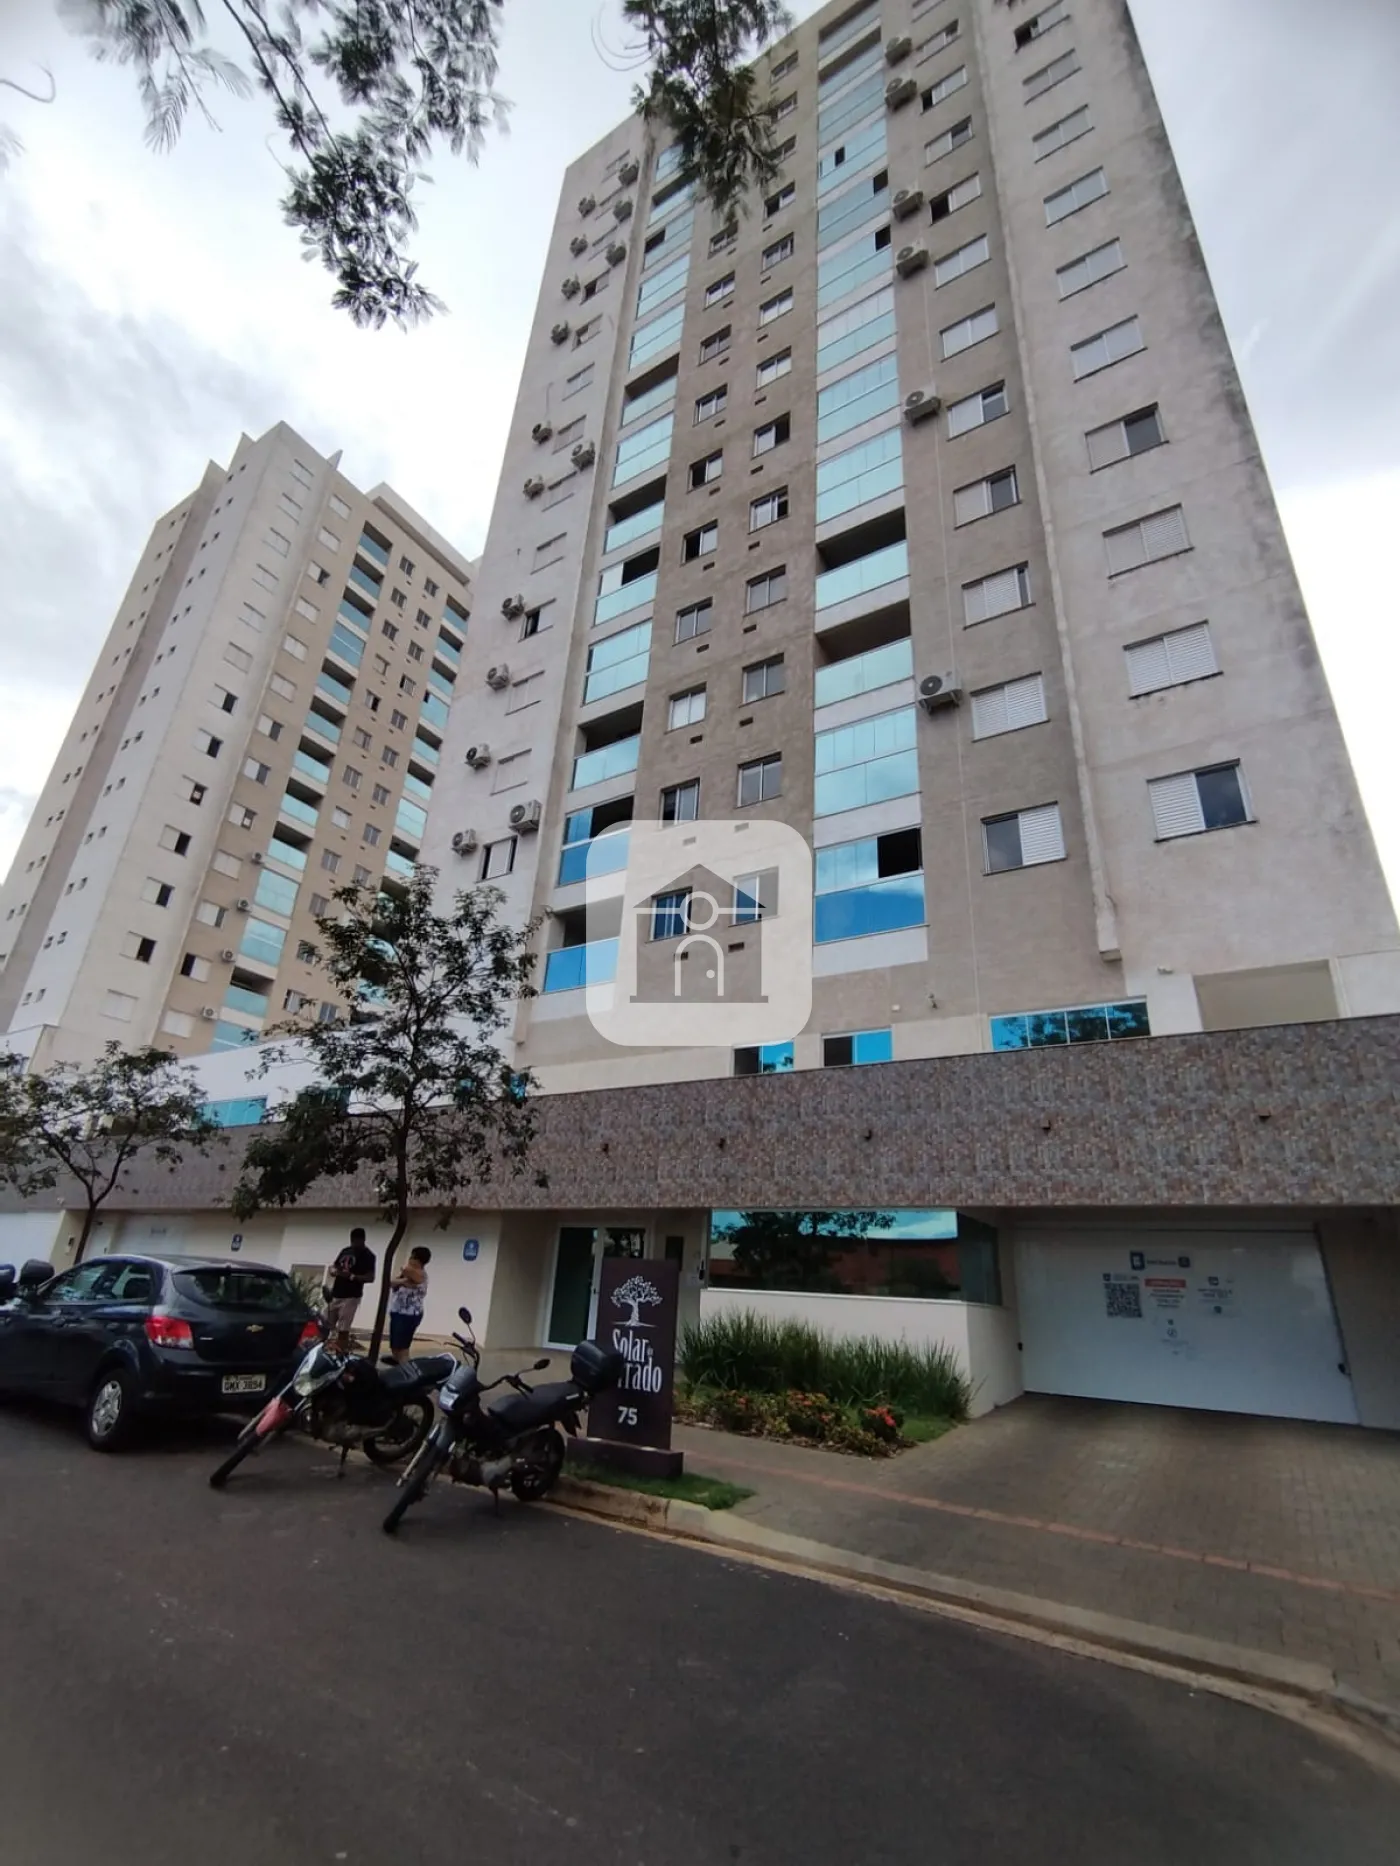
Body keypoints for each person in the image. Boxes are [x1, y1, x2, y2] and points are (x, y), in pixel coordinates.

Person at [326, 1227, 376, 1353]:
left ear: (363, 1240)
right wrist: (333, 1270)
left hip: (351, 1296)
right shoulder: (345, 1251)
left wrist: (353, 1277)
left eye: (357, 1241)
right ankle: (323, 1351)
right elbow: (335, 1265)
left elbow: (370, 1277)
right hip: (336, 1293)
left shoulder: (368, 1256)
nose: (354, 1244)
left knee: (343, 1328)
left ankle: (340, 1353)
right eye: (352, 1241)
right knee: (326, 1324)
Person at [387, 1246, 432, 1362]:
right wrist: (403, 1281)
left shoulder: (421, 1274)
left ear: (419, 1260)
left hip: (409, 1315)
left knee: (402, 1348)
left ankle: (406, 1368)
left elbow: (405, 1269)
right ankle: (398, 1364)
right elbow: (391, 1282)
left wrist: (402, 1281)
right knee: (395, 1346)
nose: (410, 1259)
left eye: (412, 1257)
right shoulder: (406, 1276)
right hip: (397, 1312)